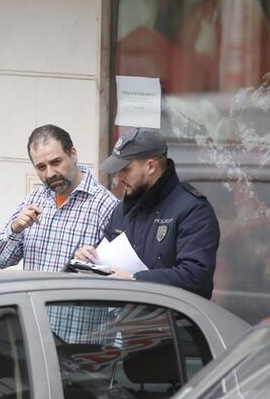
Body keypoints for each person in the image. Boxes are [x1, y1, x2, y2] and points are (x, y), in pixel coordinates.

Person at [75, 127, 219, 298]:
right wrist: (88, 260)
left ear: (150, 166)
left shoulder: (193, 210)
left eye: (125, 169)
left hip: (172, 321)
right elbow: (106, 261)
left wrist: (136, 279)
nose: (118, 177)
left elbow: (196, 277)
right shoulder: (122, 210)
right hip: (122, 320)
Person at [0, 125, 118, 272]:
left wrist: (88, 265)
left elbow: (117, 275)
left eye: (56, 162)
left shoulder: (107, 206)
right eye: (41, 167)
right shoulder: (34, 198)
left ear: (73, 154)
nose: (50, 174)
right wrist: (15, 229)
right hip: (33, 295)